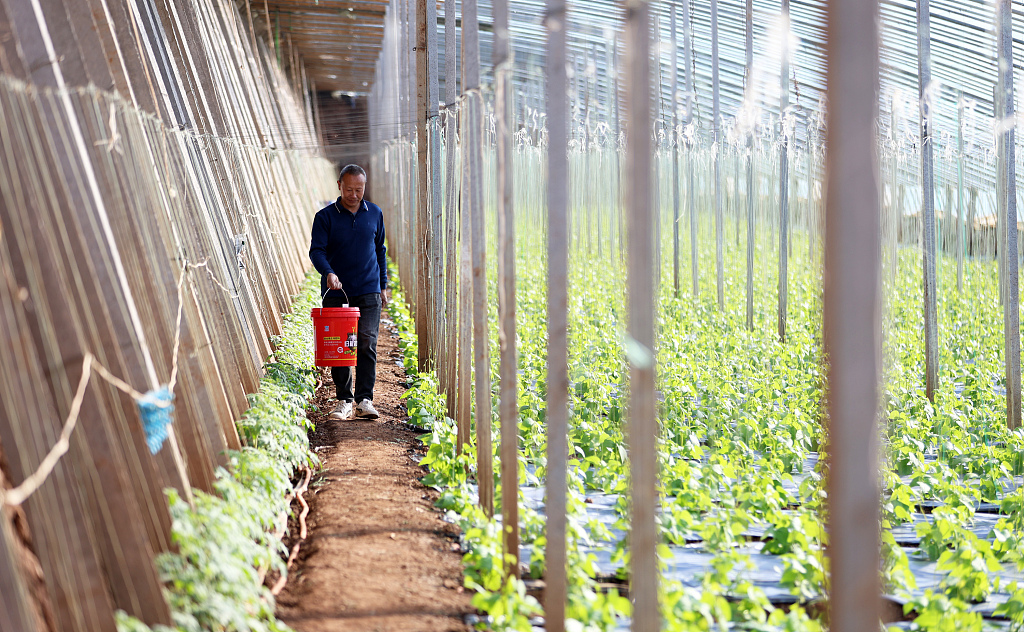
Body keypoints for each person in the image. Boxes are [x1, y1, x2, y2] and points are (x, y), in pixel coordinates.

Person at [309, 164, 389, 420]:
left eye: (359, 189)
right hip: (337, 292)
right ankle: (344, 400)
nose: (354, 195)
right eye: (349, 189)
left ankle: (364, 400)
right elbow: (317, 251)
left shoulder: (374, 213)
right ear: (339, 186)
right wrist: (328, 272)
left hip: (368, 289)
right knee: (341, 346)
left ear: (365, 187)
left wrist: (383, 285)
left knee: (366, 342)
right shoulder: (325, 217)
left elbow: (380, 250)